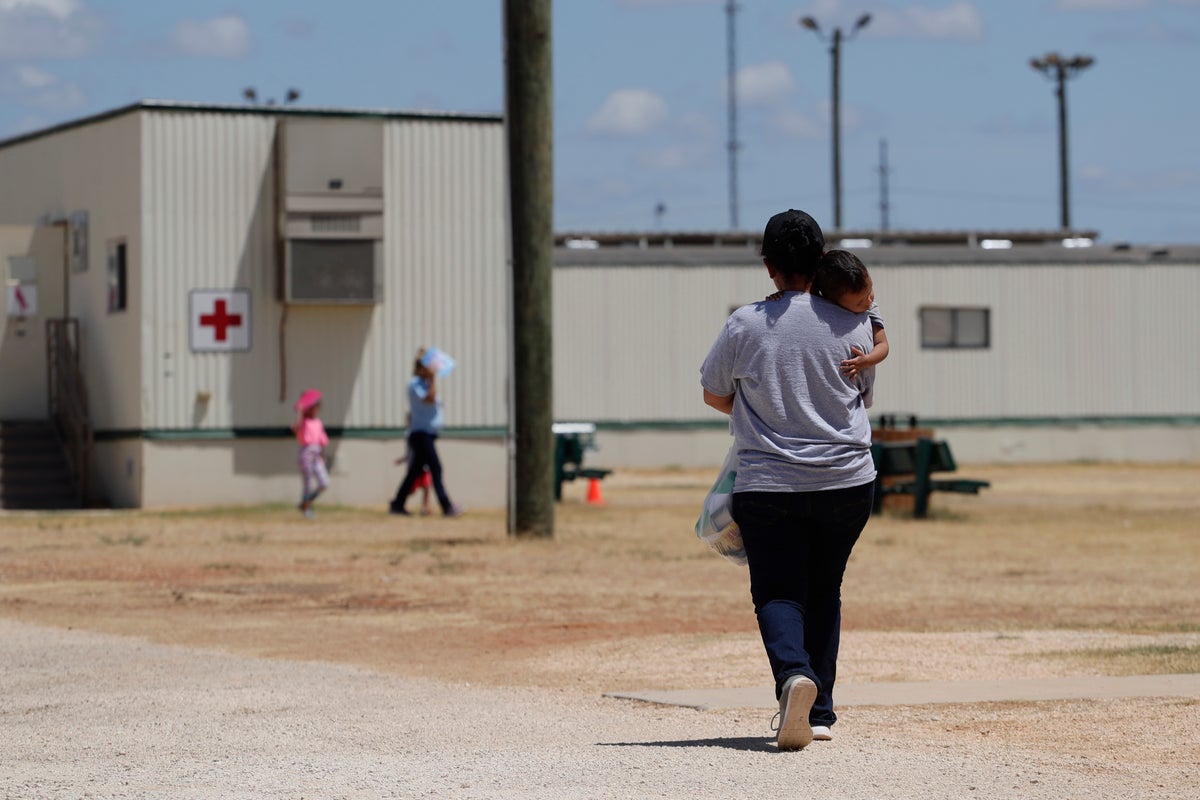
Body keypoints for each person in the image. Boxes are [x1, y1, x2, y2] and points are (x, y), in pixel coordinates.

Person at [700, 209, 876, 751]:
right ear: (823, 260)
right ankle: (819, 713)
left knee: (778, 589)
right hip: (848, 479)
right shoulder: (856, 323)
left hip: (769, 481)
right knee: (826, 587)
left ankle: (793, 677)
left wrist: (751, 408)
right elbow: (861, 397)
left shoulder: (745, 323)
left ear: (768, 265)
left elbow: (712, 392)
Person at [768, 248, 888, 380]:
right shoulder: (821, 306)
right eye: (859, 303)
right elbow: (800, 300)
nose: (869, 301)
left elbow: (883, 345)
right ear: (833, 302)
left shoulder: (870, 310)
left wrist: (867, 360)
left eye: (870, 291)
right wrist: (782, 297)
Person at [389, 350, 463, 517]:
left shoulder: (426, 384)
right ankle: (447, 506)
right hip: (420, 434)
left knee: (414, 472)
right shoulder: (415, 384)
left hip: (428, 434)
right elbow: (429, 399)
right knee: (436, 468)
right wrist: (432, 379)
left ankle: (397, 504)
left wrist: (431, 381)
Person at [292, 389, 330, 519]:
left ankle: (305, 502)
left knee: (324, 482)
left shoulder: (318, 423)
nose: (316, 409)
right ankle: (307, 507)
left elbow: (322, 441)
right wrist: (300, 413)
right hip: (306, 453)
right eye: (314, 407)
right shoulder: (303, 422)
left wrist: (323, 456)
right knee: (308, 482)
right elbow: (296, 429)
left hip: (317, 454)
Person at [395, 414, 435, 516]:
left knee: (426, 486)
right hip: (414, 464)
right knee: (411, 490)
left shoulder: (422, 431)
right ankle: (398, 502)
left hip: (424, 464)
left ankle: (425, 507)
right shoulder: (410, 434)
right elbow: (410, 451)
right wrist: (404, 459)